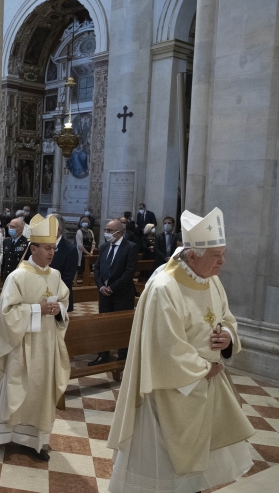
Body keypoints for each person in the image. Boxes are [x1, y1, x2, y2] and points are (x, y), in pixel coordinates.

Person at [107, 207, 255, 492]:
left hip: (206, 385)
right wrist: (205, 368)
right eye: (216, 255)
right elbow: (165, 347)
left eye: (223, 254)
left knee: (199, 459)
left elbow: (226, 318)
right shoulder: (165, 287)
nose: (222, 261)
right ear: (192, 256)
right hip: (170, 390)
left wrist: (228, 336)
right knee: (165, 464)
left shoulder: (211, 280)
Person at [0, 214, 70, 462]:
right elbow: (6, 313)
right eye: (47, 248)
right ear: (33, 248)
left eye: (53, 248)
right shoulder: (17, 276)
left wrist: (59, 309)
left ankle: (35, 439)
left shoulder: (55, 275)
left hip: (46, 345)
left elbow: (63, 301)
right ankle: (6, 434)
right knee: (18, 387)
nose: (51, 253)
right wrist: (37, 309)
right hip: (21, 344)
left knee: (40, 391)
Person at [89, 219, 138, 366]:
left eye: (109, 230)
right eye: (106, 230)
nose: (106, 233)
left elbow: (129, 272)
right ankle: (103, 355)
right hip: (104, 294)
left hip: (122, 294)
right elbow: (97, 267)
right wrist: (101, 287)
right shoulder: (104, 246)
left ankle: (123, 357)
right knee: (104, 325)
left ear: (119, 232)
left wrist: (113, 288)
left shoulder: (130, 247)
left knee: (122, 326)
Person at [50, 215, 77, 312]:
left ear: (58, 229)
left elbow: (67, 278)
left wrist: (50, 294)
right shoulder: (40, 245)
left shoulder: (70, 249)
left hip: (60, 297)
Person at [0, 218, 29, 282]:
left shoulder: (27, 243)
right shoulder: (6, 241)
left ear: (20, 229)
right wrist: (2, 277)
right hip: (7, 278)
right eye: (10, 226)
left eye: (13, 227)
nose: (10, 229)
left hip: (19, 278)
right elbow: (4, 262)